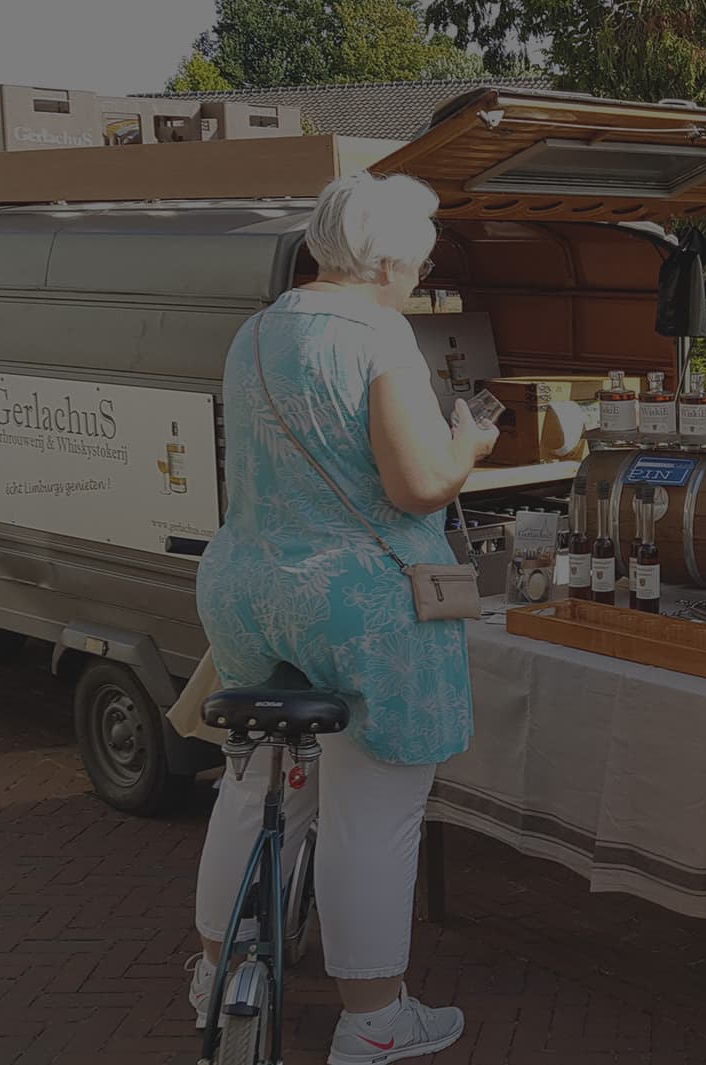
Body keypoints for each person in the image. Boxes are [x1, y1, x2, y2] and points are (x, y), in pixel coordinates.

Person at [187, 172, 498, 1065]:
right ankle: (374, 1020)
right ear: (390, 258)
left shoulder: (257, 329)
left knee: (253, 787)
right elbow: (418, 484)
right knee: (375, 805)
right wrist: (467, 445)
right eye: (421, 262)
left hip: (247, 585)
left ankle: (215, 978)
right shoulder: (378, 331)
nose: (419, 278)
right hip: (357, 600)